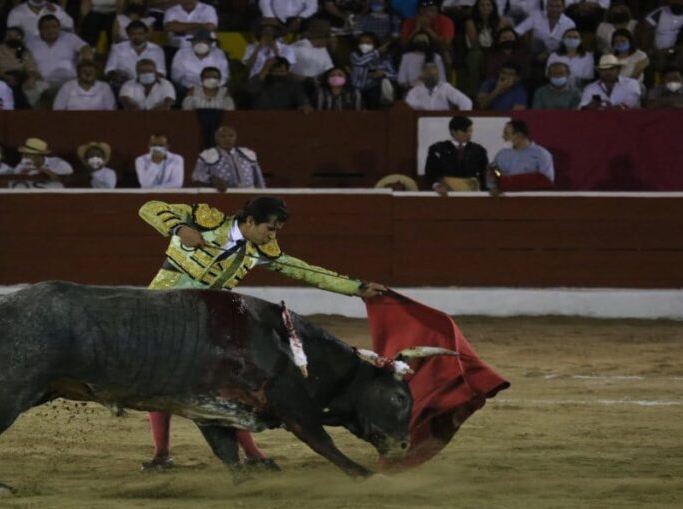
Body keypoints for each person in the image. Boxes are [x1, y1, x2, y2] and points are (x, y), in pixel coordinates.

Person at [136, 195, 388, 471]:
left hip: (201, 322)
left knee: (221, 387)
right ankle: (163, 455)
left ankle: (250, 454)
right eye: (270, 228)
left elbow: (306, 272)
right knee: (163, 384)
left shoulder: (261, 250)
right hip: (160, 314)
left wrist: (357, 288)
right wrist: (179, 229)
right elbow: (149, 207)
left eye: (277, 230)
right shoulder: (205, 220)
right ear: (250, 221)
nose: (273, 235)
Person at [0, 26, 46, 109]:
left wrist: (32, 78)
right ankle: (24, 109)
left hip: (21, 76)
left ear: (21, 38)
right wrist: (5, 77)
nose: (13, 38)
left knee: (23, 82)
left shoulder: (25, 52)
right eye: (9, 36)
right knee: (12, 85)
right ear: (5, 38)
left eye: (17, 36)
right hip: (1, 76)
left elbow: (31, 69)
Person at [424, 116, 489, 194]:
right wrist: (437, 185)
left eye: (470, 131)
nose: (469, 134)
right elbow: (430, 172)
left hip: (472, 193)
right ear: (453, 132)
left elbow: (485, 173)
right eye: (465, 131)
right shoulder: (438, 149)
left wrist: (486, 190)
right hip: (446, 192)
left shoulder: (479, 150)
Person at [639, 0, 683, 77]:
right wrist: (649, 47)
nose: (677, 2)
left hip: (677, 51)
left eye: (681, 1)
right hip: (657, 50)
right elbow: (644, 26)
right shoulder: (661, 11)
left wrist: (672, 50)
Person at [26, 14, 90, 92]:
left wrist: (85, 64)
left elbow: (86, 48)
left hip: (69, 82)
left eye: (55, 27)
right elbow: (23, 60)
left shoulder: (69, 37)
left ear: (59, 28)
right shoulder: (31, 42)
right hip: (42, 82)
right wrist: (31, 75)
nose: (51, 30)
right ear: (39, 30)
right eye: (46, 27)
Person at [488, 119, 554, 194]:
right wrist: (494, 184)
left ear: (519, 135)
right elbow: (494, 172)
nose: (503, 136)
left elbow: (547, 181)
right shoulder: (501, 154)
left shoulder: (541, 154)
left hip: (531, 199)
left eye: (506, 134)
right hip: (505, 198)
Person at [192, 126, 265, 191]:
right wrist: (211, 179)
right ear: (216, 138)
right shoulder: (208, 155)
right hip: (224, 193)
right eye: (222, 136)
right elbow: (196, 176)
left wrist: (263, 193)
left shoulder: (247, 154)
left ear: (235, 137)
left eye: (231, 136)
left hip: (249, 191)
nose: (227, 139)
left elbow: (259, 179)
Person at [464, 0, 512, 97]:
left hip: (495, 50)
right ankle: (475, 92)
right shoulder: (470, 22)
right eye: (482, 5)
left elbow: (505, 37)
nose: (485, 7)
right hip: (477, 50)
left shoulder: (500, 21)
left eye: (488, 5)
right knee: (476, 55)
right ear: (477, 7)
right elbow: (474, 43)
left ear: (493, 7)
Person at [105, 20, 166, 88]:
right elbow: (109, 71)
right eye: (133, 34)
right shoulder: (117, 48)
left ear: (146, 34)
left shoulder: (157, 50)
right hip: (123, 85)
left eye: (140, 34)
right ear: (128, 34)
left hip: (148, 86)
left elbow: (161, 73)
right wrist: (117, 76)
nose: (136, 37)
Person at [349, 31, 397, 109]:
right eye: (362, 43)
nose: (364, 45)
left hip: (375, 91)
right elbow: (359, 62)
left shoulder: (384, 58)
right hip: (356, 90)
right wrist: (377, 52)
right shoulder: (355, 55)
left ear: (375, 43)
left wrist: (383, 73)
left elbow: (395, 75)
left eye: (368, 43)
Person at [404, 59, 473, 110]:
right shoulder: (415, 91)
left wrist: (460, 120)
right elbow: (408, 108)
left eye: (434, 73)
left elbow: (466, 102)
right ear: (422, 75)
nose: (431, 74)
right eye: (428, 73)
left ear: (438, 74)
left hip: (443, 124)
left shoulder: (445, 87)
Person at [579, 54, 643, 109]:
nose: (608, 72)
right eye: (604, 69)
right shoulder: (590, 88)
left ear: (618, 70)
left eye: (611, 69)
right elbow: (582, 109)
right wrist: (590, 106)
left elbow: (631, 104)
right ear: (599, 72)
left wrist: (603, 108)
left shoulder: (631, 84)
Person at [6, 0, 73, 45]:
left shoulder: (55, 9)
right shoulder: (16, 12)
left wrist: (56, 13)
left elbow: (69, 25)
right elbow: (12, 38)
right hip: (27, 55)